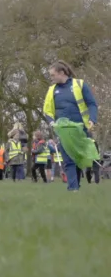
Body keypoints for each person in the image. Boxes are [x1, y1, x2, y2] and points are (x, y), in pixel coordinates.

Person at [43, 60, 99, 192]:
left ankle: (75, 186)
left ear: (61, 73)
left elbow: (92, 103)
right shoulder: (52, 90)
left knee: (78, 159)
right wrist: (52, 122)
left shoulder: (79, 85)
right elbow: (47, 110)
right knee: (68, 159)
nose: (51, 78)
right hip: (63, 131)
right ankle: (73, 188)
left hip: (81, 130)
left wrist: (92, 119)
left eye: (52, 75)